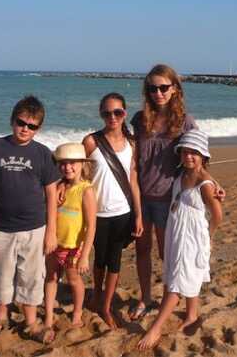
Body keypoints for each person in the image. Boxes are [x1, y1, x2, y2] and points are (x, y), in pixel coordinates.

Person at [129, 64, 224, 320]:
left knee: (167, 255)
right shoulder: (139, 120)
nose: (158, 93)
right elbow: (135, 162)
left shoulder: (185, 122)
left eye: (163, 87)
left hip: (169, 200)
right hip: (142, 197)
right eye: (152, 88)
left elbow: (198, 156)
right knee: (142, 251)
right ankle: (146, 298)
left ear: (174, 89)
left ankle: (167, 300)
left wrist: (212, 182)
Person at [0, 95, 61, 338]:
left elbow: (51, 193)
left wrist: (51, 231)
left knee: (31, 276)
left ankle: (31, 321)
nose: (25, 129)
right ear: (12, 120)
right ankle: (2, 315)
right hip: (0, 227)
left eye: (32, 126)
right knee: (1, 274)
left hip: (35, 228)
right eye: (21, 123)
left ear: (38, 128)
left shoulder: (42, 153)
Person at [138, 129, 223, 349]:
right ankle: (192, 314)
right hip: (176, 231)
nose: (189, 156)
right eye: (185, 152)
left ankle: (156, 328)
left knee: (177, 280)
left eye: (194, 153)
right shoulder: (182, 173)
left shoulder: (205, 184)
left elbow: (217, 214)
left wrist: (209, 236)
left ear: (203, 156)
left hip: (192, 236)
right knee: (184, 273)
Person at [82, 92, 144, 328]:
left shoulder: (132, 144)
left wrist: (138, 215)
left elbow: (133, 181)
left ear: (124, 114)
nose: (112, 117)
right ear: (101, 114)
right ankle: (97, 295)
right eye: (107, 113)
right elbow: (78, 174)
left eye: (118, 112)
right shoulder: (91, 141)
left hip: (123, 213)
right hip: (96, 214)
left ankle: (106, 307)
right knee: (100, 258)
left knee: (115, 260)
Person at [43, 143, 96, 343]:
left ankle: (77, 312)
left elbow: (91, 226)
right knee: (51, 277)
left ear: (82, 164)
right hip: (54, 243)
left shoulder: (86, 190)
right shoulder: (58, 187)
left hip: (74, 247)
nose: (68, 167)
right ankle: (48, 316)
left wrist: (85, 256)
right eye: (63, 163)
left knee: (74, 280)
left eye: (72, 163)